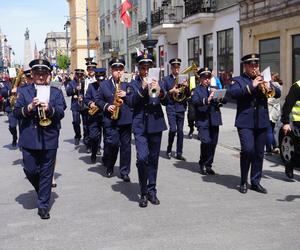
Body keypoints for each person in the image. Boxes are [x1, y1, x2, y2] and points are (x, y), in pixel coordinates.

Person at [13, 59, 66, 219]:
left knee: (47, 172)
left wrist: (49, 109)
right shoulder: (24, 91)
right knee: (30, 170)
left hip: (49, 137)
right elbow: (16, 112)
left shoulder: (55, 92)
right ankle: (43, 190)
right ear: (33, 74)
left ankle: (43, 205)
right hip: (29, 137)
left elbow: (61, 112)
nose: (40, 76)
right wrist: (28, 108)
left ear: (48, 75)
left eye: (43, 73)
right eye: (37, 73)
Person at [229, 53, 281, 194]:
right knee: (248, 150)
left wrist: (269, 84)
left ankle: (256, 181)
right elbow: (233, 94)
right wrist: (251, 86)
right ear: (245, 66)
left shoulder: (264, 79)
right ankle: (243, 181)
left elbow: (278, 93)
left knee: (259, 153)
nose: (254, 67)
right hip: (245, 122)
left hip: (262, 121)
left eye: (256, 65)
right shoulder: (238, 80)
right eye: (251, 65)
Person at [127, 53, 168, 207]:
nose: (145, 71)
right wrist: (143, 89)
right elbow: (130, 102)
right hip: (140, 126)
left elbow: (167, 101)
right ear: (138, 69)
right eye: (142, 68)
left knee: (153, 160)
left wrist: (160, 91)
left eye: (148, 68)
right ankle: (143, 191)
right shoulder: (133, 84)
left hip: (156, 123)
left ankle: (152, 191)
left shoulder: (159, 82)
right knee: (142, 158)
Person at [95, 58, 132, 181]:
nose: (118, 72)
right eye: (116, 70)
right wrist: (106, 106)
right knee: (112, 144)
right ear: (111, 71)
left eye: (120, 69)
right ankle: (110, 166)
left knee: (126, 147)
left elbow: (135, 97)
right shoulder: (104, 84)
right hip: (111, 119)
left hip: (125, 119)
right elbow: (98, 100)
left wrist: (127, 95)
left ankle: (124, 171)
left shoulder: (128, 83)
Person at [192, 67, 226, 175]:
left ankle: (208, 165)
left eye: (208, 77)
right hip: (202, 120)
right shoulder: (197, 90)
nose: (207, 80)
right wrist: (208, 99)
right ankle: (202, 162)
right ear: (200, 79)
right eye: (204, 78)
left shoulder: (214, 87)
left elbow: (226, 100)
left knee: (213, 143)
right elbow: (195, 102)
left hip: (214, 119)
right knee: (206, 141)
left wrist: (220, 96)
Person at [163, 58, 190, 160]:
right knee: (173, 129)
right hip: (171, 107)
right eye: (175, 67)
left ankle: (179, 153)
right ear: (171, 68)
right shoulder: (166, 79)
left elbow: (188, 95)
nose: (177, 69)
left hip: (181, 107)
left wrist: (186, 87)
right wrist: (171, 91)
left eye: (178, 67)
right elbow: (163, 94)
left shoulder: (183, 78)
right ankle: (169, 149)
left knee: (180, 131)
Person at [84, 68, 106, 163]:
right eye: (99, 80)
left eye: (102, 79)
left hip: (106, 114)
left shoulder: (108, 85)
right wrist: (90, 104)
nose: (100, 82)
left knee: (108, 138)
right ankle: (94, 152)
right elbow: (86, 98)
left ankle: (106, 157)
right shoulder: (91, 86)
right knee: (93, 137)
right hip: (94, 115)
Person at [281, 78, 300, 179]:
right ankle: (290, 165)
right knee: (298, 150)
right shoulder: (297, 86)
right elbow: (288, 105)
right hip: (299, 122)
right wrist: (285, 122)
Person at [66, 69, 86, 146]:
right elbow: (68, 93)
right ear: (76, 75)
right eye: (78, 75)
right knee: (76, 122)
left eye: (81, 75)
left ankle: (86, 137)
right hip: (75, 105)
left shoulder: (85, 82)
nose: (79, 76)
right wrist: (74, 89)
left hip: (84, 105)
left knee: (85, 123)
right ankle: (77, 136)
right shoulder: (71, 83)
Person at [265, 73, 282, 154]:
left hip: (270, 111)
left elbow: (269, 98)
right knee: (271, 130)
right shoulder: (279, 86)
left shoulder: (273, 86)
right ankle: (274, 146)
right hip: (275, 112)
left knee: (268, 131)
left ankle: (269, 149)